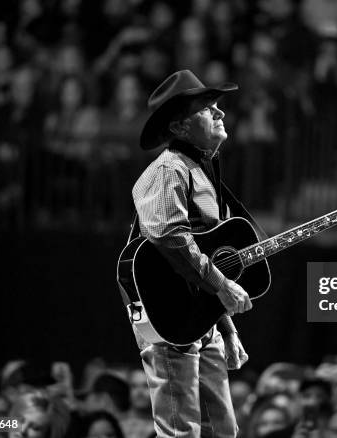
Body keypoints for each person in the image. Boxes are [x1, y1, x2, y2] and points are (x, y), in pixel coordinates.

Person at [130, 69, 253, 437]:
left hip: (203, 317)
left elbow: (206, 255)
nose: (221, 114)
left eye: (217, 106)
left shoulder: (202, 170)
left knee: (223, 430)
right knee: (181, 431)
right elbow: (169, 236)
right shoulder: (169, 168)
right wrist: (221, 286)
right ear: (180, 128)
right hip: (167, 316)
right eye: (208, 108)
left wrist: (226, 326)